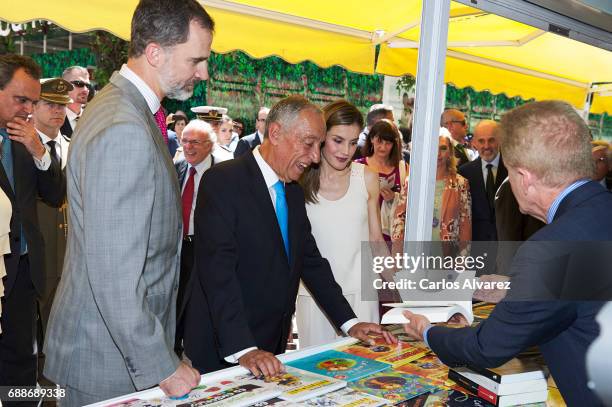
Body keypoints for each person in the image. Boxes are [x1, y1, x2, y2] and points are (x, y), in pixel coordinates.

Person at [43, 1, 214, 404]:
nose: (203, 72)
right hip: (108, 362)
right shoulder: (124, 126)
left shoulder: (128, 111)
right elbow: (116, 278)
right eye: (197, 59)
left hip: (114, 351)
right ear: (155, 53)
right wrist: (164, 366)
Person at [401, 100, 612, 406]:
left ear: (524, 178)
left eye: (509, 173)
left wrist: (427, 331)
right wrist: (517, 289)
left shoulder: (550, 248)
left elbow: (488, 346)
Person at [183, 95, 395, 377]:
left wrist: (349, 322)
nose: (316, 157)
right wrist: (244, 348)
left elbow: (310, 261)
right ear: (276, 133)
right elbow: (217, 272)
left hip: (271, 344)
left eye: (319, 146)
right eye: (309, 144)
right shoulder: (223, 181)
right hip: (226, 346)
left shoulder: (293, 189)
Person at [296, 100, 388, 348]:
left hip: (361, 294)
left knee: (364, 374)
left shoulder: (367, 177)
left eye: (352, 141)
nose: (346, 151)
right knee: (316, 374)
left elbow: (376, 241)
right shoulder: (298, 181)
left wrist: (403, 295)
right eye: (338, 140)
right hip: (313, 297)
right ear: (321, 136)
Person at [0, 54, 64, 397]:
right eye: (20, 99)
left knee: (21, 361)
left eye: (32, 101)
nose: (27, 109)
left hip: (23, 269)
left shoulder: (26, 138)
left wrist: (39, 150)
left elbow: (55, 195)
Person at [173, 120, 224, 355]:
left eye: (195, 142)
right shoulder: (178, 167)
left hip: (205, 247)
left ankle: (197, 348)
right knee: (176, 298)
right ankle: (173, 346)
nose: (188, 147)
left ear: (210, 146)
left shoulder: (222, 172)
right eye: (184, 140)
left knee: (199, 301)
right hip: (177, 248)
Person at [32, 78, 72, 346]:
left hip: (70, 252)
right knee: (34, 322)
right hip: (36, 251)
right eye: (50, 104)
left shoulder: (74, 145)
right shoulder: (20, 146)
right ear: (33, 106)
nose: (58, 111)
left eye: (62, 105)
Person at [391, 134, 471, 247]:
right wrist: (398, 254)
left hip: (447, 256)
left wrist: (462, 261)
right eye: (433, 147)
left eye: (443, 148)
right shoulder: (413, 181)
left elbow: (465, 225)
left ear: (450, 152)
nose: (437, 154)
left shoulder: (461, 184)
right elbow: (399, 219)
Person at [355, 119, 407, 242]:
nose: (383, 147)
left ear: (394, 144)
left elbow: (411, 203)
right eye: (379, 141)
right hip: (363, 232)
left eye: (388, 143)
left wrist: (394, 198)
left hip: (392, 235)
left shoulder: (403, 168)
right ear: (372, 139)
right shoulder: (357, 167)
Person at [458, 120, 507, 241]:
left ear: (500, 140)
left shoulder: (513, 170)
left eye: (491, 140)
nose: (486, 146)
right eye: (481, 141)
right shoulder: (464, 173)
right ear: (474, 142)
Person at [60, 66, 90, 138]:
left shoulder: (93, 118)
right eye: (79, 84)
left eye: (88, 85)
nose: (85, 89)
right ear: (64, 86)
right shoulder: (51, 119)